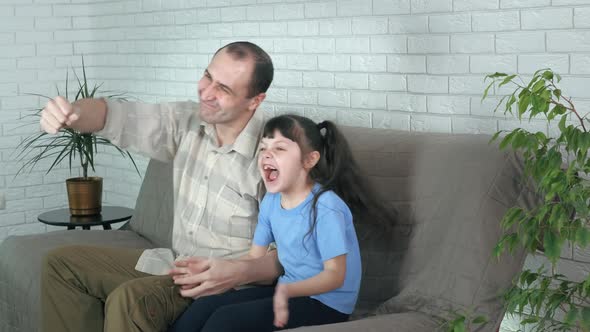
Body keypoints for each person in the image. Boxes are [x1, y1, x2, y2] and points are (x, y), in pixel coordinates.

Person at [39, 41, 283, 332]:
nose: (206, 92)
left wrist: (236, 272)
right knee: (61, 264)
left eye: (224, 89)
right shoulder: (185, 122)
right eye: (208, 76)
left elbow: (292, 254)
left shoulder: (275, 155)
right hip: (175, 263)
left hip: (222, 286)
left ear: (255, 100)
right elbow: (114, 116)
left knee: (129, 301)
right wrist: (74, 114)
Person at [168, 114, 382, 332]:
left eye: (279, 148)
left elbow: (335, 276)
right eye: (263, 148)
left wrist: (286, 291)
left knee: (227, 320)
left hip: (327, 303)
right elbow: (254, 257)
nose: (266, 155)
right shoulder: (271, 201)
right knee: (206, 305)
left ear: (309, 160)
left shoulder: (326, 208)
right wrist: (213, 273)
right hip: (289, 290)